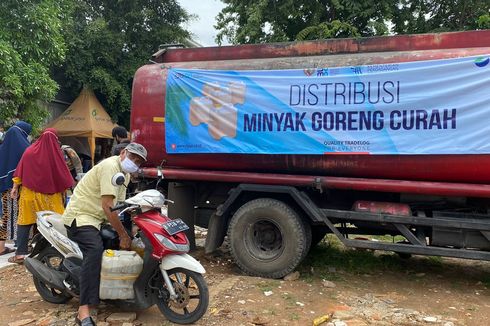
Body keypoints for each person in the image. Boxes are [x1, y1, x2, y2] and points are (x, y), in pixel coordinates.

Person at [62, 143, 147, 326]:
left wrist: (133, 227)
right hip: (82, 216)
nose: (134, 163)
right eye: (132, 157)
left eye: (138, 161)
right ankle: (83, 311)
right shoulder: (111, 167)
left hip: (99, 219)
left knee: (119, 245)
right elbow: (108, 206)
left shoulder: (123, 174)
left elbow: (121, 206)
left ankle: (111, 292)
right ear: (123, 153)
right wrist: (123, 234)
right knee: (94, 250)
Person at [9, 128, 74, 264]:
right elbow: (64, 177)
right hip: (51, 197)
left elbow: (20, 171)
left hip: (29, 194)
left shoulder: (29, 152)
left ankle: (20, 254)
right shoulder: (56, 155)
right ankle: (56, 252)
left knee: (25, 222)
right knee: (55, 223)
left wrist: (15, 188)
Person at [0, 121, 32, 255]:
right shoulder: (26, 149)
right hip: (20, 189)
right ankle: (20, 244)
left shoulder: (2, 148)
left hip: (3, 189)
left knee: (5, 216)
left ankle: (1, 247)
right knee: (21, 216)